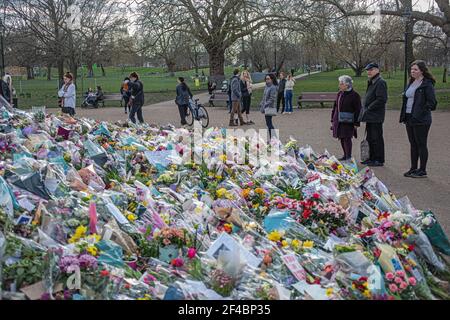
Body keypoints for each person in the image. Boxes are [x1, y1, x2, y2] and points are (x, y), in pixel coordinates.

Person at [400, 60, 437, 178]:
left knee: (421, 144)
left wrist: (421, 110)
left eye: (415, 69)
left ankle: (422, 170)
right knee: (413, 144)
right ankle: (413, 168)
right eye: (411, 69)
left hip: (421, 119)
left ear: (422, 71)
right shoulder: (411, 82)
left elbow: (432, 103)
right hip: (409, 117)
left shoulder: (427, 83)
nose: (412, 71)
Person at [359, 63, 388, 167]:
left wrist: (370, 107)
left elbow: (382, 99)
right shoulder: (372, 81)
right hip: (370, 115)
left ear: (377, 70)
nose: (368, 72)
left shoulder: (380, 82)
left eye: (371, 70)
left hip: (376, 115)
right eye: (367, 70)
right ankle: (371, 157)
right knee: (370, 137)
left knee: (377, 138)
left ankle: (379, 159)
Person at [331, 75, 362, 161]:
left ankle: (348, 156)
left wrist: (356, 123)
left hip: (349, 121)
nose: (339, 86)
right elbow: (335, 107)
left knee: (347, 138)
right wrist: (332, 119)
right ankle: (345, 155)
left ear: (347, 85)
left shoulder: (355, 95)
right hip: (339, 120)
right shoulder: (340, 94)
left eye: (341, 84)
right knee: (341, 137)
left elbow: (358, 110)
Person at [260, 73, 278, 140]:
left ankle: (274, 139)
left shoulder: (273, 87)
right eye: (266, 79)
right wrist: (262, 102)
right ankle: (273, 138)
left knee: (269, 124)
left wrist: (265, 104)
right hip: (266, 107)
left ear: (272, 79)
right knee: (268, 124)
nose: (266, 80)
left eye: (268, 79)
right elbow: (264, 96)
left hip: (269, 107)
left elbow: (272, 99)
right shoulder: (267, 86)